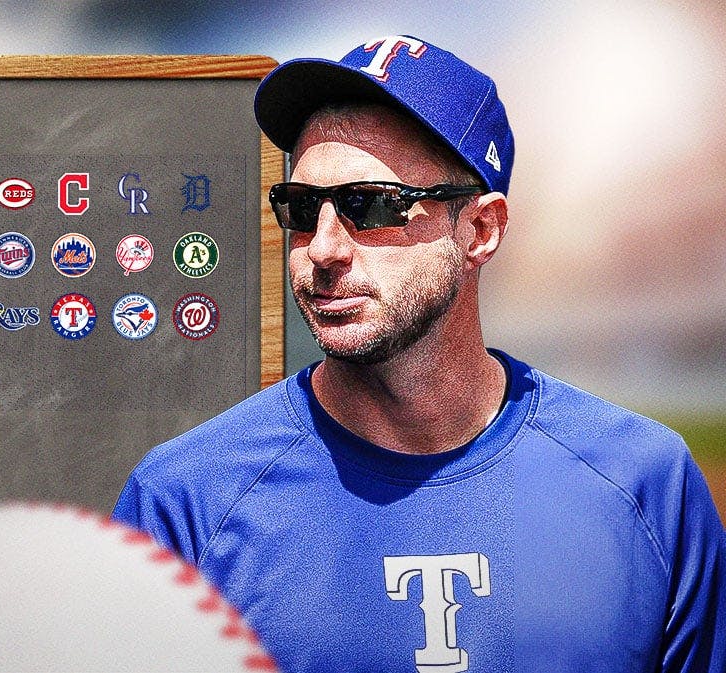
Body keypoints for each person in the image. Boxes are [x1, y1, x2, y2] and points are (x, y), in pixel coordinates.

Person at [112, 35, 726, 673]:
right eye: (300, 208)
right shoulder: (185, 500)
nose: (322, 250)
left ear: (481, 229)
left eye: (371, 206)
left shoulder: (645, 485)